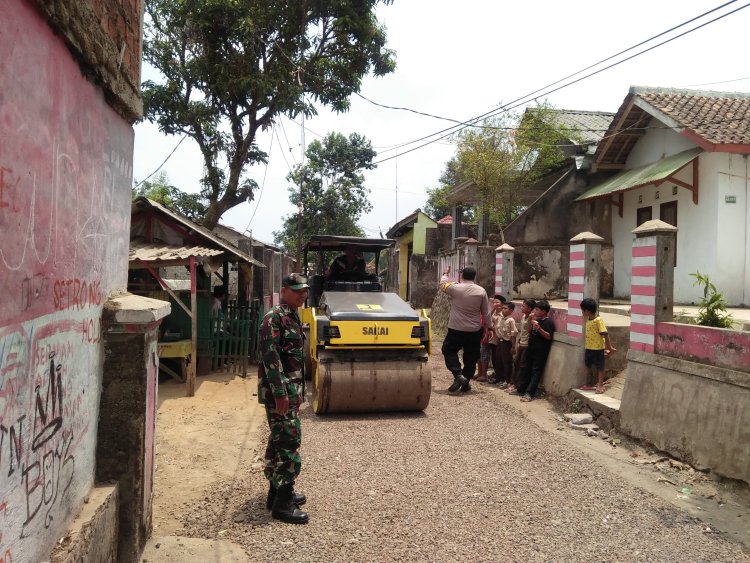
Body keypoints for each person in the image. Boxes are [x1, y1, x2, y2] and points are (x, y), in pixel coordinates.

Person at [258, 273, 310, 524]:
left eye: (305, 290)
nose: (303, 294)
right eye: (297, 290)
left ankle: (275, 492)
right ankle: (283, 504)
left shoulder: (292, 315)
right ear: (284, 290)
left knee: (278, 441)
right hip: (281, 394)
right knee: (289, 441)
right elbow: (271, 359)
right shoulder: (274, 318)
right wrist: (280, 394)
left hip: (291, 392)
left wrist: (298, 394)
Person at [440, 265, 492, 393]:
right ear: (474, 276)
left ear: (462, 275)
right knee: (471, 357)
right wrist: (489, 327)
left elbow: (442, 285)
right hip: (474, 330)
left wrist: (445, 274)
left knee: (448, 350)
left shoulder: (454, 288)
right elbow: (486, 312)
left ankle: (458, 375)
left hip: (456, 328)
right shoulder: (481, 291)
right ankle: (465, 382)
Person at [511, 299, 555, 402]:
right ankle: (521, 389)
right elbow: (528, 331)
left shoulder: (548, 322)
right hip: (530, 348)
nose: (535, 311)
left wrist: (539, 329)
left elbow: (549, 337)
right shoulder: (536, 320)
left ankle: (530, 393)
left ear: (543, 312)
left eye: (537, 309)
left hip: (540, 351)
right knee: (525, 369)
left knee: (536, 371)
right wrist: (531, 323)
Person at [580, 298, 617, 394]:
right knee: (589, 365)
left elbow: (605, 334)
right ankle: (591, 384)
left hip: (598, 348)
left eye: (582, 310)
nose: (582, 312)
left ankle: (600, 385)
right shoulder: (588, 320)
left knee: (600, 367)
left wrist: (609, 346)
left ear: (587, 311)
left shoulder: (598, 320)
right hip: (589, 348)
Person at [507, 299, 535, 394]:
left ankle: (519, 387)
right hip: (521, 343)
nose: (521, 307)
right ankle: (513, 384)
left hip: (527, 345)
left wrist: (530, 319)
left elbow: (528, 330)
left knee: (523, 367)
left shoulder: (532, 318)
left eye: (524, 306)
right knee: (516, 363)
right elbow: (522, 331)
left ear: (530, 309)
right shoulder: (523, 316)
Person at [490, 301, 517, 387]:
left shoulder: (510, 320)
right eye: (503, 308)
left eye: (505, 308)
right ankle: (499, 378)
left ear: (511, 310)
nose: (503, 310)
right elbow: (490, 317)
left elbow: (514, 333)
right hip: (500, 341)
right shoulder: (500, 318)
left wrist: (513, 346)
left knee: (506, 362)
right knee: (498, 360)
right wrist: (494, 308)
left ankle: (507, 380)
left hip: (507, 342)